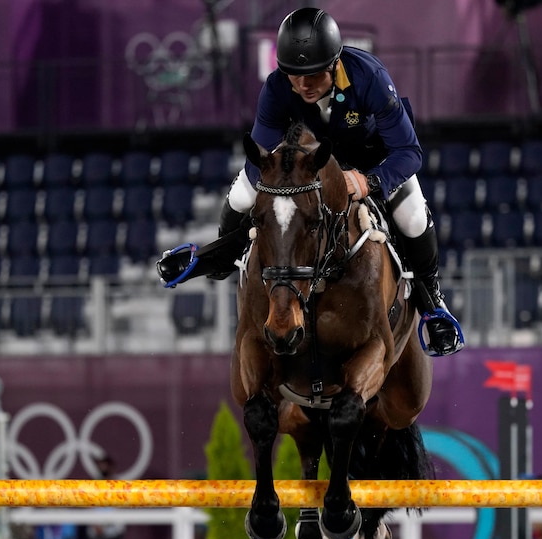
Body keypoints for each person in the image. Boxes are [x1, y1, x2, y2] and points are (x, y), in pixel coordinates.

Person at [158, 7, 463, 356]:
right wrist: (276, 193)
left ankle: (434, 303)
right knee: (243, 196)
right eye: (294, 74)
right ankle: (221, 258)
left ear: (334, 64)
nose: (303, 84)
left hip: (374, 159)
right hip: (308, 168)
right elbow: (260, 158)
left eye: (313, 74)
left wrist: (369, 183)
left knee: (412, 218)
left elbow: (409, 151)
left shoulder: (370, 77)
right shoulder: (276, 88)